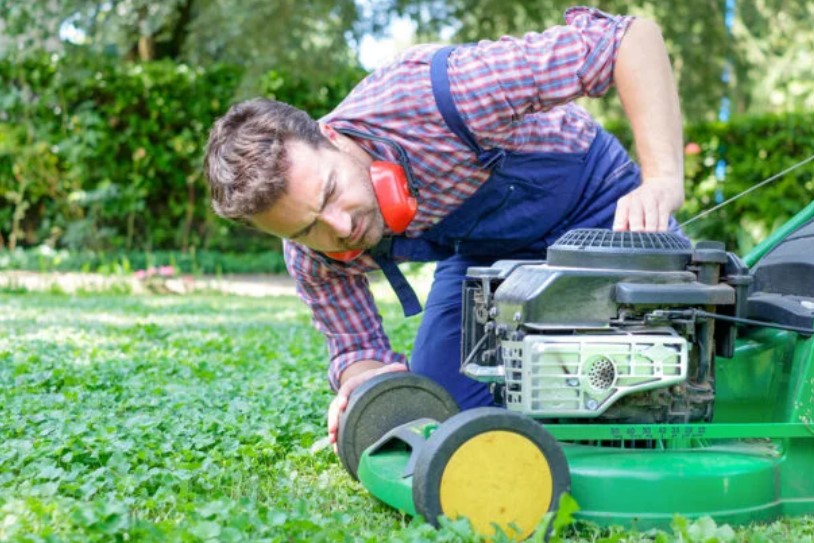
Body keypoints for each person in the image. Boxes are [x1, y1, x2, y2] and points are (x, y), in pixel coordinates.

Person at [203, 6, 686, 450]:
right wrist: (368, 384)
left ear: (330, 134)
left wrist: (662, 179)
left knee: (676, 351)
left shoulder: (441, 95)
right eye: (309, 228)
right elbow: (359, 350)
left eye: (330, 192)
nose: (342, 227)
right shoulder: (310, 253)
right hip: (487, 257)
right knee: (441, 397)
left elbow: (627, 40)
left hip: (595, 203)